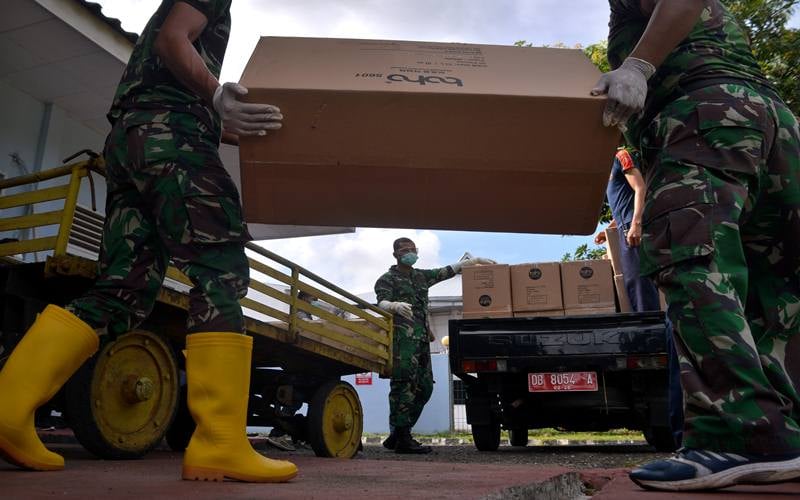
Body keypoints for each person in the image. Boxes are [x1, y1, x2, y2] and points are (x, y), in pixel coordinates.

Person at [0, 0, 297, 483]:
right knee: (219, 270)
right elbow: (173, 38)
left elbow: (169, 71)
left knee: (123, 289)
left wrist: (226, 119)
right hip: (169, 136)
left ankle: (8, 408)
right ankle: (219, 443)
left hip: (133, 140)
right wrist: (216, 93)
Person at [593, 0, 800, 491]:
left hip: (704, 119)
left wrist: (639, 65)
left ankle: (745, 436)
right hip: (771, 124)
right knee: (776, 288)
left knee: (691, 262)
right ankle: (785, 434)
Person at [595, 147, 684, 449]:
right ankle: (651, 328)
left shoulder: (620, 155)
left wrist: (636, 223)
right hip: (622, 227)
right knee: (635, 282)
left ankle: (652, 334)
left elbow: (640, 187)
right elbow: (620, 200)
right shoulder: (602, 169)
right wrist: (609, 228)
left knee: (639, 281)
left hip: (635, 229)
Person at [375, 237, 494, 453]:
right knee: (403, 387)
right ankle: (402, 437)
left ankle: (398, 434)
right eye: (405, 250)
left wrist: (472, 261)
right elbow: (380, 302)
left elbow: (445, 271)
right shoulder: (387, 279)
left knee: (426, 387)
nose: (410, 252)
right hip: (401, 343)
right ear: (395, 254)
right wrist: (392, 305)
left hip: (421, 341)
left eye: (413, 249)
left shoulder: (420, 276)